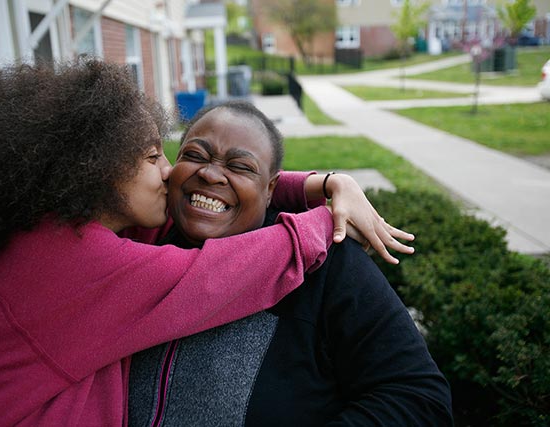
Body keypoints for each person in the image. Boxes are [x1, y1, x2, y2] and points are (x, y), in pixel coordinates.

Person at [0, 60, 414, 426]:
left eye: (242, 169)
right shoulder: (93, 256)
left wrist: (324, 184)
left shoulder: (61, 230)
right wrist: (322, 220)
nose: (172, 170)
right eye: (159, 156)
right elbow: (212, 277)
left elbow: (414, 395)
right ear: (99, 169)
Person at [126, 101, 453, 426]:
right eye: (195, 156)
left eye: (240, 166)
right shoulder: (139, 244)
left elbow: (419, 398)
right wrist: (328, 183)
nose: (210, 174)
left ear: (271, 190)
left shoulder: (325, 263)